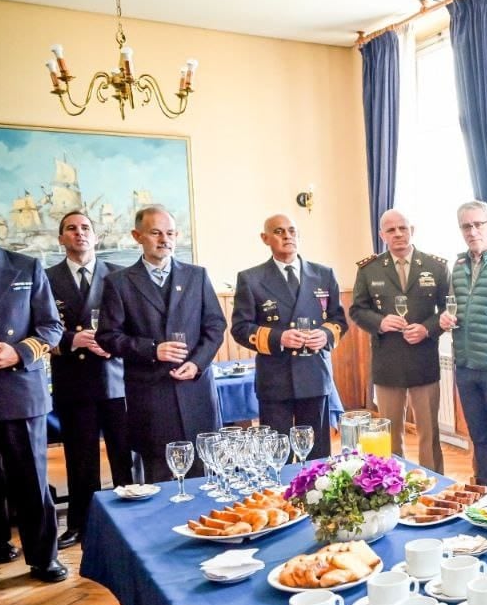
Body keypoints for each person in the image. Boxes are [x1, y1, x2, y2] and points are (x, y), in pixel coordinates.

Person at [98, 205, 225, 483]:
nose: (164, 239)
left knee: (203, 475)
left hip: (196, 391)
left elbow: (216, 327)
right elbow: (107, 337)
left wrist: (197, 363)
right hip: (151, 397)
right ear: (137, 236)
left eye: (170, 233)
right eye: (155, 233)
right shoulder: (118, 283)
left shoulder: (197, 276)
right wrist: (152, 349)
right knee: (159, 475)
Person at [0, 197, 66, 587]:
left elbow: (51, 327)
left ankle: (44, 559)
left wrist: (16, 351)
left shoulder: (26, 266)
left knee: (31, 482)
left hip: (20, 392)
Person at [46, 210, 135, 549]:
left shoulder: (121, 275)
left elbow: (135, 326)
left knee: (123, 455)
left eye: (85, 228)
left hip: (116, 377)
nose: (79, 234)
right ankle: (81, 524)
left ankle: (130, 519)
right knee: (80, 459)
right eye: (71, 229)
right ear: (61, 238)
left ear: (95, 236)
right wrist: (72, 340)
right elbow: (40, 325)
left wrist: (113, 344)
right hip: (73, 379)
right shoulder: (47, 277)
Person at [230, 214, 347, 458]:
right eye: (279, 231)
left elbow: (338, 320)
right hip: (276, 379)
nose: (287, 236)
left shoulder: (323, 274)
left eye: (292, 231)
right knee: (277, 457)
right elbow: (240, 328)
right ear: (265, 238)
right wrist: (278, 338)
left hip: (315, 375)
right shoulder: (251, 279)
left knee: (318, 456)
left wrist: (325, 335)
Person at [350, 209, 449, 471]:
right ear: (382, 235)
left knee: (429, 434)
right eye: (391, 230)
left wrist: (427, 329)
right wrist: (380, 323)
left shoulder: (436, 267)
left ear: (412, 230)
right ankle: (392, 484)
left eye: (402, 228)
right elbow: (357, 310)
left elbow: (448, 311)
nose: (398, 234)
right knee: (389, 435)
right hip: (388, 361)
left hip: (424, 360)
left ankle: (436, 488)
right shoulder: (369, 269)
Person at [439, 201, 487, 496]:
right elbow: (452, 306)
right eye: (466, 226)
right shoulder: (457, 265)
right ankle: (486, 491)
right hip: (465, 364)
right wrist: (445, 318)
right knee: (479, 436)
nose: (473, 231)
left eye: (478, 224)